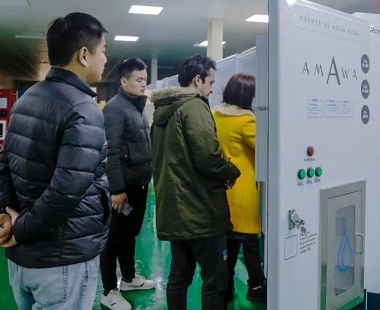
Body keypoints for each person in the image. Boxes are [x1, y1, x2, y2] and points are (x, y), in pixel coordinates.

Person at [0, 12, 112, 310]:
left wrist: (3, 213)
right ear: (84, 55)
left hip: (23, 260)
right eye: (103, 51)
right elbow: (66, 192)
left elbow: (3, 164)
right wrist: (20, 230)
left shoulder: (28, 98)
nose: (106, 59)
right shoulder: (83, 109)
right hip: (63, 259)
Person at [150, 54, 241, 310]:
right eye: (211, 82)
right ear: (197, 80)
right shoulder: (194, 107)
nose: (212, 89)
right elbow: (208, 157)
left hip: (174, 210)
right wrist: (232, 172)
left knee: (179, 276)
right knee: (215, 280)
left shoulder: (162, 111)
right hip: (201, 211)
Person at [100, 58, 155, 310]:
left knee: (130, 233)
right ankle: (109, 290)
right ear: (124, 81)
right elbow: (110, 153)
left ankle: (129, 278)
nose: (144, 84)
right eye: (139, 79)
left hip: (139, 183)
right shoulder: (114, 109)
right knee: (113, 238)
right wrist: (117, 190)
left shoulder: (137, 106)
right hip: (125, 186)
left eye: (145, 79)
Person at [212, 73, 267, 303]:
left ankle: (225, 288)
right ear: (246, 96)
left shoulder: (216, 114)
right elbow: (266, 150)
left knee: (230, 241)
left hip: (225, 188)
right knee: (250, 241)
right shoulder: (246, 122)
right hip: (244, 191)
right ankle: (256, 286)